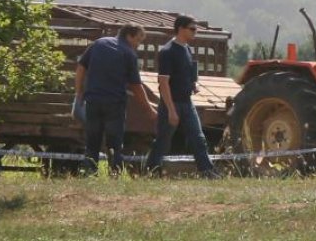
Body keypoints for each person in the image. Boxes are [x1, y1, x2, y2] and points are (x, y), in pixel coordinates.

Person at [74, 23, 156, 174]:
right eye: (137, 40)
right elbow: (136, 86)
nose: (137, 45)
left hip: (93, 101)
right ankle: (115, 173)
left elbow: (81, 68)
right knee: (114, 143)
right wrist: (149, 110)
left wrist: (79, 92)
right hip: (114, 104)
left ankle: (89, 172)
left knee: (92, 141)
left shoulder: (99, 43)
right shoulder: (129, 54)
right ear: (129, 35)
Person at [145, 15, 220, 178]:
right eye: (192, 29)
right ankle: (151, 171)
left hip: (187, 103)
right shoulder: (167, 52)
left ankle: (207, 171)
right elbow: (163, 83)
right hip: (171, 103)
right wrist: (171, 110)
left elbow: (191, 72)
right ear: (181, 29)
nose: (195, 32)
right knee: (163, 140)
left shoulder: (187, 49)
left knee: (198, 138)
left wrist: (194, 84)